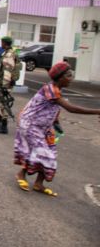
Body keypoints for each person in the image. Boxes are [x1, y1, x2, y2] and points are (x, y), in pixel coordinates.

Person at [14, 62, 100, 197]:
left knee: (51, 152)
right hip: (31, 124)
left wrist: (56, 122)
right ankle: (21, 174)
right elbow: (71, 108)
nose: (71, 78)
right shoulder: (50, 89)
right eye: (69, 75)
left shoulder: (57, 89)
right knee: (42, 153)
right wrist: (98, 111)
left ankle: (38, 184)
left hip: (45, 127)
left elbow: (51, 107)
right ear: (60, 78)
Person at [0, 36, 20, 134]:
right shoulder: (5, 53)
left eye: (2, 42)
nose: (0, 44)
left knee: (4, 104)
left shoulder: (9, 55)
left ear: (5, 43)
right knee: (1, 103)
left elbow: (8, 70)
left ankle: (4, 126)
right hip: (2, 81)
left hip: (5, 83)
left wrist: (5, 86)